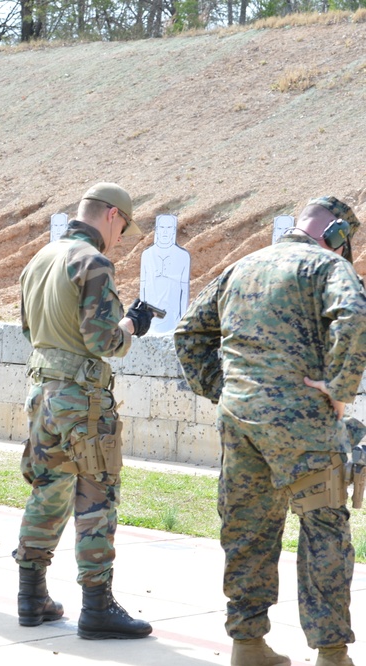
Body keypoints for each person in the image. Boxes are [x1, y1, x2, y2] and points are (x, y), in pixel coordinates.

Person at [174, 196, 366, 666]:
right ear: (339, 234)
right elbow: (355, 314)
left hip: (240, 422)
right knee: (323, 525)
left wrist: (224, 389)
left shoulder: (243, 266)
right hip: (303, 422)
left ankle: (248, 644)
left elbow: (188, 332)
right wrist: (340, 387)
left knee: (247, 527)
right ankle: (331, 653)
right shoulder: (325, 265)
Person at [15, 183, 153, 639]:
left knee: (47, 490)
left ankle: (31, 594)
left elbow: (28, 328)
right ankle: (97, 606)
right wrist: (132, 324)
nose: (121, 239)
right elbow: (105, 342)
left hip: (43, 394)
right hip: (83, 400)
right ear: (112, 215)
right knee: (97, 498)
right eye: (124, 228)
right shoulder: (93, 262)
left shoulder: (40, 258)